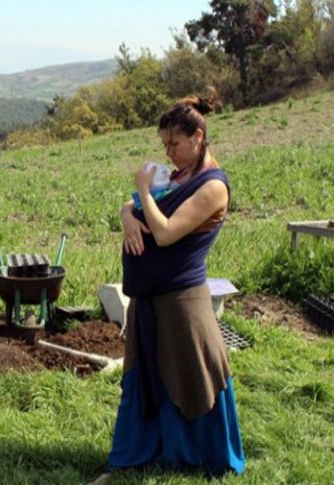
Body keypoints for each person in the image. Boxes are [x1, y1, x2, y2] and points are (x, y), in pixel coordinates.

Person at [93, 88, 245, 483]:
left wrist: (142, 189)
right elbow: (137, 209)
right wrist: (129, 213)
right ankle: (137, 456)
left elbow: (164, 232)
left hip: (182, 301)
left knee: (192, 378)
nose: (168, 153)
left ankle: (199, 456)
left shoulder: (213, 187)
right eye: (164, 144)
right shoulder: (178, 176)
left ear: (197, 138)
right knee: (146, 381)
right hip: (149, 299)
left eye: (174, 143)